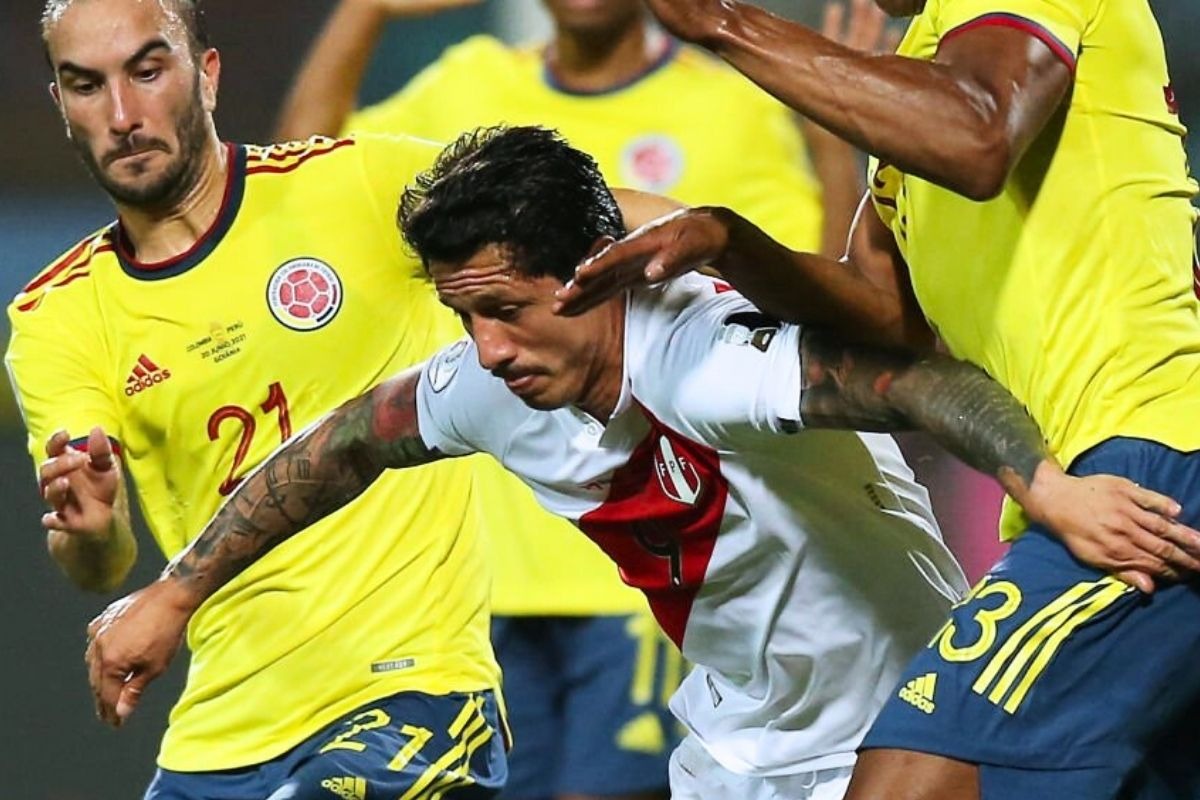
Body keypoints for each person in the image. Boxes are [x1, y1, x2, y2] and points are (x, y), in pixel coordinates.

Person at [81, 126, 1198, 800]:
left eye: (510, 311)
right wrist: (175, 589)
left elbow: (908, 382)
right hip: (729, 746)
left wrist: (1044, 484)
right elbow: (342, 443)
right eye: (465, 319)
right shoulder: (491, 382)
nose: (490, 352)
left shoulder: (704, 358)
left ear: (599, 273)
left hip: (897, 730)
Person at [553, 0, 1200, 795]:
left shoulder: (988, 58)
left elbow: (978, 135)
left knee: (904, 778)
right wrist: (727, 238)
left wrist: (720, 23)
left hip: (1156, 457)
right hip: (1096, 483)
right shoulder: (927, 81)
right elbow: (884, 316)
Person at [275, 2, 885, 796]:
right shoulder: (469, 90)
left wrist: (834, 148)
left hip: (645, 567)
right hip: (486, 581)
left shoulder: (728, 107)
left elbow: (811, 295)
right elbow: (302, 182)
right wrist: (366, 10)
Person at [9, 1, 515, 797]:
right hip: (219, 737)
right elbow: (98, 568)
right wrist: (92, 526)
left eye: (147, 71)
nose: (121, 114)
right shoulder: (54, 318)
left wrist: (727, 247)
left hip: (407, 691)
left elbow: (577, 216)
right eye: (86, 85)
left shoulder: (360, 181)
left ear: (205, 75)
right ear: (61, 105)